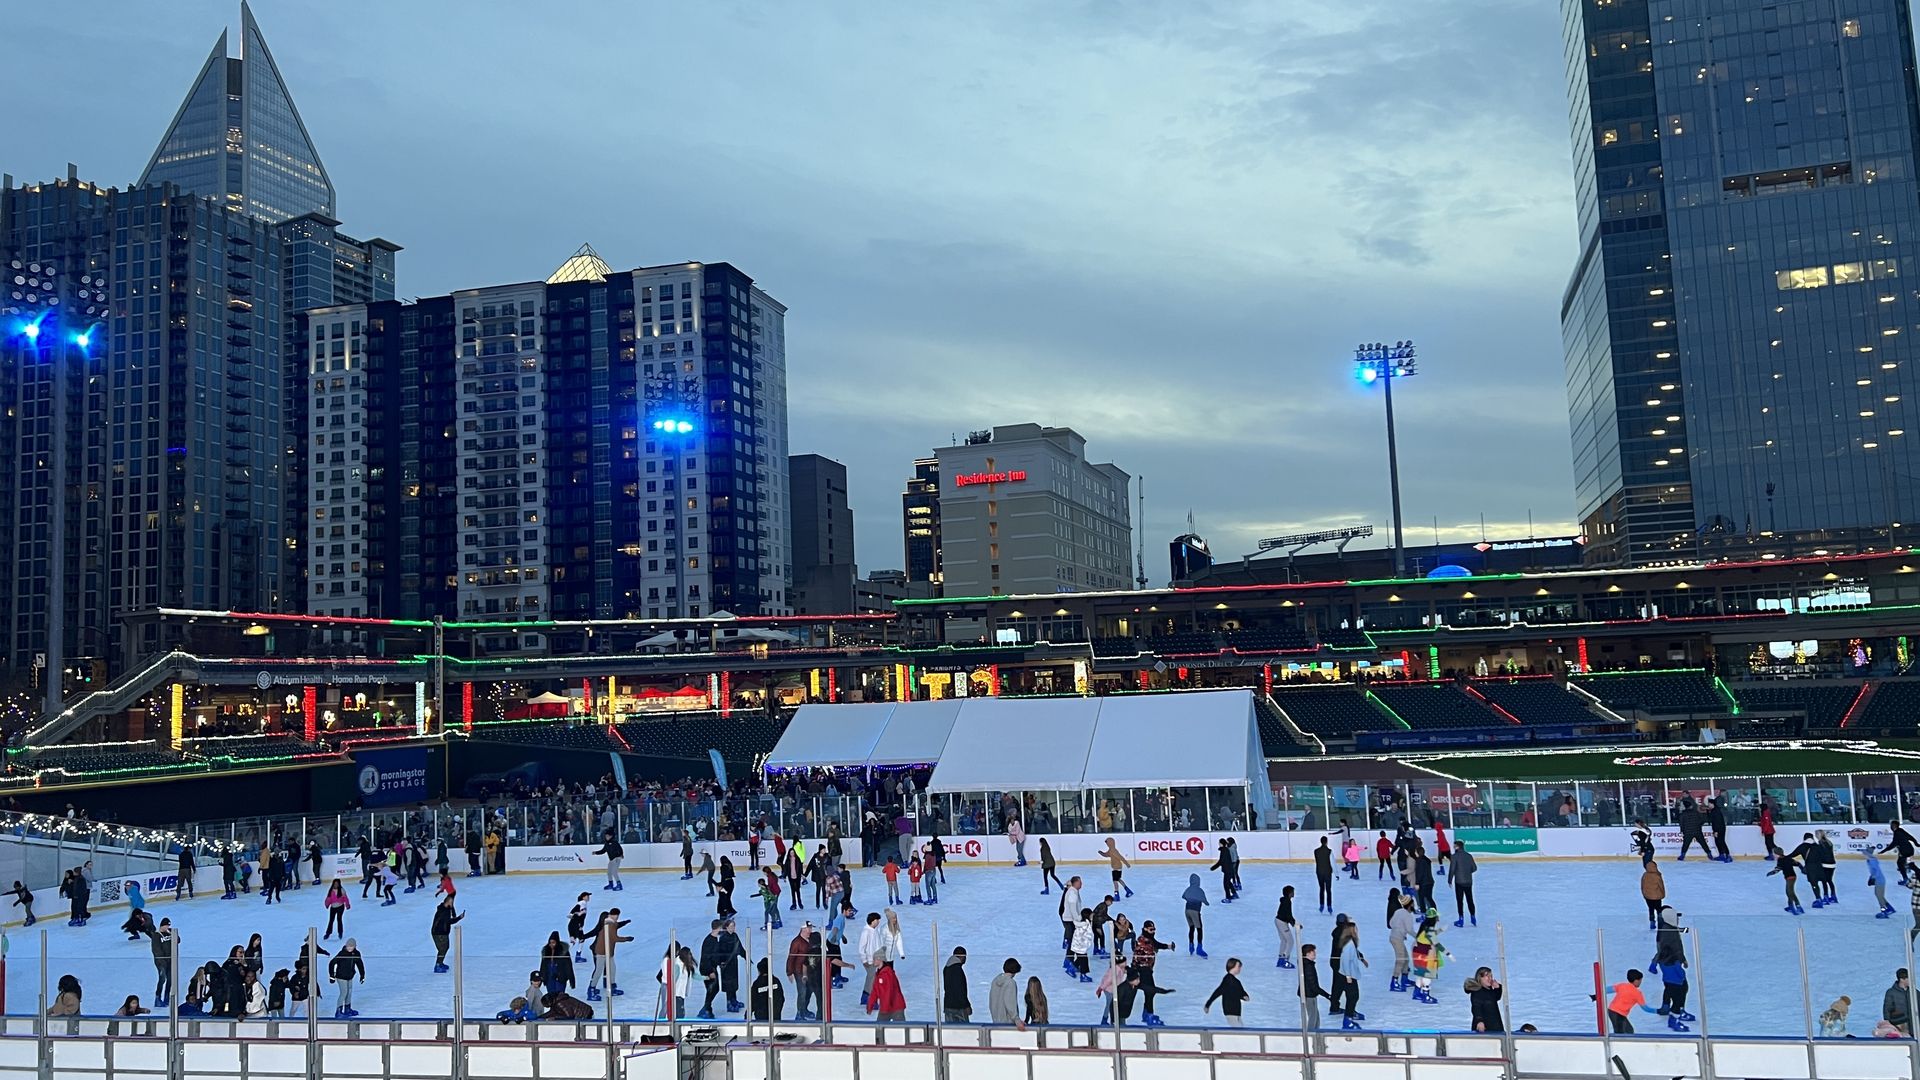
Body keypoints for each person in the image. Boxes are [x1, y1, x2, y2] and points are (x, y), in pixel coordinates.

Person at [1128, 919, 1177, 1027]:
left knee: (1149, 991)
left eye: (1154, 929)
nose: (1153, 931)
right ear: (1145, 929)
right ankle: (1149, 1015)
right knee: (1150, 991)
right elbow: (1152, 946)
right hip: (1143, 969)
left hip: (1147, 969)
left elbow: (1156, 944)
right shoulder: (1143, 940)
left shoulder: (1148, 938)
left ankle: (1146, 1014)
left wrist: (1168, 946)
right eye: (1151, 929)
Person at [1408, 910, 1452, 1005]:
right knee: (1427, 975)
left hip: (1417, 951)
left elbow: (1429, 935)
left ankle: (1417, 992)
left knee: (1420, 973)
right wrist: (1448, 954)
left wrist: (1440, 930)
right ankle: (1426, 995)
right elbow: (1437, 944)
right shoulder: (1430, 930)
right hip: (1427, 953)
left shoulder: (1423, 927)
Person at [1603, 969, 1660, 1034]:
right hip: (1617, 1014)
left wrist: (1597, 994)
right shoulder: (1637, 993)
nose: (1641, 982)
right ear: (1636, 981)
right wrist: (1658, 1011)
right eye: (1640, 980)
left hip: (1612, 1011)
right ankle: (1617, 1043)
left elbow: (1607, 989)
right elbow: (1645, 1008)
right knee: (1621, 1033)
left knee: (1629, 1031)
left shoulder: (1622, 986)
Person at [1203, 958, 1249, 1027]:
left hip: (1235, 1011)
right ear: (1232, 966)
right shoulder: (1228, 980)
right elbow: (1218, 992)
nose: (1240, 969)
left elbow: (1240, 992)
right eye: (1238, 966)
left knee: (1240, 1029)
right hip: (1230, 1010)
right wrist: (1208, 1004)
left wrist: (1244, 996)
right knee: (1239, 1031)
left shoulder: (1235, 981)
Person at [329, 940, 365, 1018]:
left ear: (355, 946)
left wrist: (362, 975)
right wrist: (332, 976)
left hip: (350, 976)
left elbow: (360, 964)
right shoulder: (342, 954)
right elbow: (332, 963)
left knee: (349, 993)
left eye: (351, 946)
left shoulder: (356, 953)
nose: (349, 948)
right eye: (348, 946)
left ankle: (347, 1009)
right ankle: (338, 1011)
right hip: (341, 977)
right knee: (344, 993)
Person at [1387, 893, 1415, 994]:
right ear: (1410, 905)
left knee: (1406, 959)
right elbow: (1409, 929)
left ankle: (1404, 979)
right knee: (1401, 960)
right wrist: (1419, 937)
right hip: (1397, 938)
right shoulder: (1408, 915)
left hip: (1394, 937)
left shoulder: (1398, 911)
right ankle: (1394, 981)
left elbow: (1391, 923)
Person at [1299, 943, 1330, 1032]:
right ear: (1307, 954)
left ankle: (1315, 1034)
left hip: (1310, 994)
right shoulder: (1308, 966)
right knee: (1313, 1017)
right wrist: (1327, 995)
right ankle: (1311, 1035)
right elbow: (1313, 985)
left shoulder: (1308, 964)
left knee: (1316, 1016)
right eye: (1312, 951)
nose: (1315, 953)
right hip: (1309, 994)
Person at [430, 894, 463, 973]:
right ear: (447, 902)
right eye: (451, 902)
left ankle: (440, 963)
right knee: (443, 949)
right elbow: (448, 921)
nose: (452, 904)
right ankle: (438, 965)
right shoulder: (443, 911)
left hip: (442, 932)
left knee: (445, 947)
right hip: (439, 933)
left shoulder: (446, 909)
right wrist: (459, 918)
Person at [1465, 967, 1503, 1032]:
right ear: (1480, 978)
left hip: (1495, 1025)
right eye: (1487, 976)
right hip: (1484, 1027)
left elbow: (1496, 997)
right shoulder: (1477, 992)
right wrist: (1479, 1021)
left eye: (1491, 976)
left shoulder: (1489, 990)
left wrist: (1498, 988)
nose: (1490, 978)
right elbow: (1476, 1007)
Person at [541, 931, 576, 1002]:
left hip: (560, 978)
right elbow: (543, 966)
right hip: (549, 978)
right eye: (550, 942)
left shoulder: (563, 951)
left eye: (553, 942)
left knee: (560, 997)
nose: (551, 944)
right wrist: (542, 977)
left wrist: (572, 980)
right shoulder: (546, 951)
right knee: (551, 997)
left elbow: (568, 966)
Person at [1768, 849, 1805, 915]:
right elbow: (1798, 863)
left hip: (1789, 878)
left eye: (1774, 854)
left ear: (1777, 854)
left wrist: (1771, 873)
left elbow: (1778, 869)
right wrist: (1802, 869)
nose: (1774, 855)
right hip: (1793, 876)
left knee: (1789, 892)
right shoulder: (1788, 858)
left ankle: (1793, 907)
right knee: (1790, 892)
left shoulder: (1780, 860)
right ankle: (1797, 906)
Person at [989, 958, 1024, 1028]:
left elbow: (991, 1001)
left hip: (996, 1021)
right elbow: (1010, 1003)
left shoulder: (995, 981)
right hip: (1008, 1023)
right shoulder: (1011, 983)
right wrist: (1017, 1020)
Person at [1451, 842, 1479, 927]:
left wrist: (1449, 880)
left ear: (1457, 847)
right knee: (1470, 899)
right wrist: (1467, 872)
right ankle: (1473, 917)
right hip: (1468, 881)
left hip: (1459, 882)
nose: (1453, 847)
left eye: (1454, 846)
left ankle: (1461, 919)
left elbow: (1452, 869)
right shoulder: (1469, 856)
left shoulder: (1454, 856)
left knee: (1460, 901)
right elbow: (1474, 868)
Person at [1182, 873, 1210, 957]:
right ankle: (1199, 948)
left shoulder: (1188, 889)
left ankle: (1191, 946)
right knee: (1199, 929)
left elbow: (1184, 896)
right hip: (1195, 911)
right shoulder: (1199, 890)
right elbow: (1206, 902)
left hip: (1187, 911)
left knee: (1191, 928)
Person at [749, 958, 786, 1022]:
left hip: (761, 1017)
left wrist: (748, 1013)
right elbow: (781, 998)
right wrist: (777, 1010)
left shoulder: (757, 983)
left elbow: (753, 1000)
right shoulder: (776, 981)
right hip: (775, 1016)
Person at [151, 919, 176, 1007]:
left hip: (170, 960)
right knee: (162, 979)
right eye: (166, 926)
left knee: (170, 979)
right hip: (161, 962)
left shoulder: (169, 932)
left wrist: (172, 933)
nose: (167, 927)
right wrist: (163, 962)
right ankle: (157, 998)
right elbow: (156, 950)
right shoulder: (156, 935)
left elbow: (178, 941)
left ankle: (166, 997)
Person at [1275, 884, 1300, 969]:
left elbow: (1288, 915)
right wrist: (1293, 923)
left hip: (1278, 921)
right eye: (1293, 892)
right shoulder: (1287, 901)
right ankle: (1284, 960)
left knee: (1284, 940)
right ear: (1289, 893)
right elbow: (1288, 914)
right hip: (1282, 922)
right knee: (1290, 941)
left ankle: (1280, 959)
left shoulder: (1285, 900)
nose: (1294, 893)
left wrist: (1294, 922)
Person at [1675, 797, 1708, 862]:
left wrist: (1682, 831)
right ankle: (1709, 854)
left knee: (1685, 844)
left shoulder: (1683, 814)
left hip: (1687, 832)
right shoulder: (1696, 812)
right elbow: (1703, 820)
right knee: (1703, 843)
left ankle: (1682, 856)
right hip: (1697, 830)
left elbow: (1681, 823)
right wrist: (1699, 825)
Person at [1868, 850, 1896, 919]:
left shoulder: (1872, 861)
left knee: (1879, 896)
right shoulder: (1870, 860)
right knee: (1878, 895)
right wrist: (1871, 877)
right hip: (1879, 880)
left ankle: (1884, 912)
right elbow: (1874, 871)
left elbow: (1876, 871)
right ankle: (1890, 908)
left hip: (1879, 881)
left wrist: (1873, 878)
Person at [1639, 861, 1666, 929]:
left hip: (1648, 897)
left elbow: (1642, 886)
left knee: (1651, 909)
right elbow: (1661, 886)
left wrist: (1644, 894)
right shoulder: (1657, 875)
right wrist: (1663, 894)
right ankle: (1660, 922)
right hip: (1657, 897)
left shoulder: (1645, 875)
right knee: (1659, 909)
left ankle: (1652, 921)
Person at [1069, 908, 1095, 982]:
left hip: (1080, 946)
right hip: (1080, 946)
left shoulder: (1084, 923)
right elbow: (1080, 936)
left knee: (1080, 959)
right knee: (1084, 961)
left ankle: (1072, 968)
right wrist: (1084, 944)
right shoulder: (1084, 925)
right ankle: (1083, 975)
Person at [1886, 968, 1913, 1036]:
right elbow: (1887, 1010)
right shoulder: (1891, 993)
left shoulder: (1914, 992)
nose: (1911, 980)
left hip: (1914, 1024)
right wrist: (1889, 1025)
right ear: (1902, 979)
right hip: (1899, 1024)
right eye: (1908, 978)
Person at [1314, 837, 1335, 913]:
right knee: (1328, 890)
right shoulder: (1329, 851)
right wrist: (1337, 874)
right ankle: (1329, 906)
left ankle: (1321, 905)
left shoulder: (1316, 851)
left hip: (1319, 872)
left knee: (1321, 888)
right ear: (1326, 842)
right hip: (1328, 872)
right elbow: (1333, 863)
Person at [1707, 797, 1731, 862]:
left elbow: (1717, 822)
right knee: (1717, 842)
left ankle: (1728, 855)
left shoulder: (1716, 811)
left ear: (1712, 804)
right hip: (1718, 828)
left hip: (1720, 829)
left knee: (1721, 842)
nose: (1708, 805)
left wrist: (1716, 831)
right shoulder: (1713, 811)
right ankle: (1721, 855)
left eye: (1709, 804)